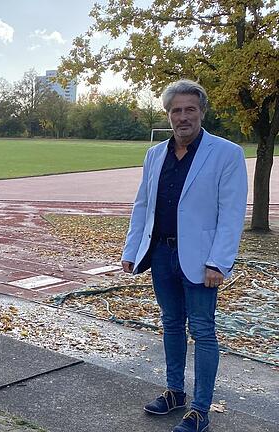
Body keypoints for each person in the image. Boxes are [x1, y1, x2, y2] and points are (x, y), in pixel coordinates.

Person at [121, 79, 248, 432]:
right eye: (176, 110)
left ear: (202, 112)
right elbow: (142, 205)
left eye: (190, 109)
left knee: (203, 331)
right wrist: (132, 250)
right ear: (168, 115)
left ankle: (200, 409)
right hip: (161, 253)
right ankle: (174, 392)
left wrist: (219, 261)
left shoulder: (226, 153)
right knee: (171, 325)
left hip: (201, 259)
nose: (183, 116)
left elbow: (232, 212)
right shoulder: (154, 154)